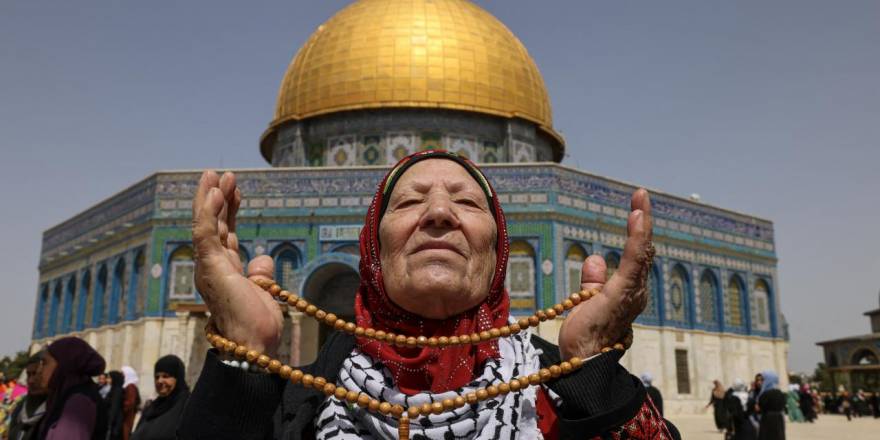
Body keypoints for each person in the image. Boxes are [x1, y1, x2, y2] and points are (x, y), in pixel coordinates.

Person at [178, 151, 679, 439]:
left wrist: (592, 371)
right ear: (372, 247)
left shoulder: (559, 392)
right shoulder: (301, 402)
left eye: (467, 202)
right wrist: (242, 359)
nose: (439, 213)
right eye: (410, 202)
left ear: (499, 250)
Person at [36, 337, 108, 440]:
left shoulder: (79, 402)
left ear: (64, 364)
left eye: (44, 363)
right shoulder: (63, 397)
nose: (39, 370)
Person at [130, 355, 189, 440]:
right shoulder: (153, 406)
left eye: (166, 376)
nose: (159, 381)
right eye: (157, 377)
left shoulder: (186, 406)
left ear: (178, 378)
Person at [6, 352, 48, 440]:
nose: (31, 380)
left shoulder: (58, 410)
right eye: (29, 374)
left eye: (36, 374)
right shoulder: (20, 407)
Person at [756, 371, 785, 440]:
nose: (761, 382)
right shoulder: (780, 393)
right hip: (779, 419)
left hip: (767, 419)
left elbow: (759, 408)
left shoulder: (765, 394)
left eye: (763, 380)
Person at [119, 367, 140, 440]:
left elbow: (130, 402)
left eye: (122, 374)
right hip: (127, 415)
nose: (121, 376)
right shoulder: (127, 385)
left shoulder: (130, 386)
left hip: (127, 415)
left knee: (126, 433)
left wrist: (121, 409)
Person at [105, 371, 125, 440]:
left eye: (109, 378)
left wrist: (109, 423)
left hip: (115, 422)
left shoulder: (117, 390)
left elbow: (114, 407)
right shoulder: (113, 388)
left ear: (115, 379)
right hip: (113, 421)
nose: (107, 380)